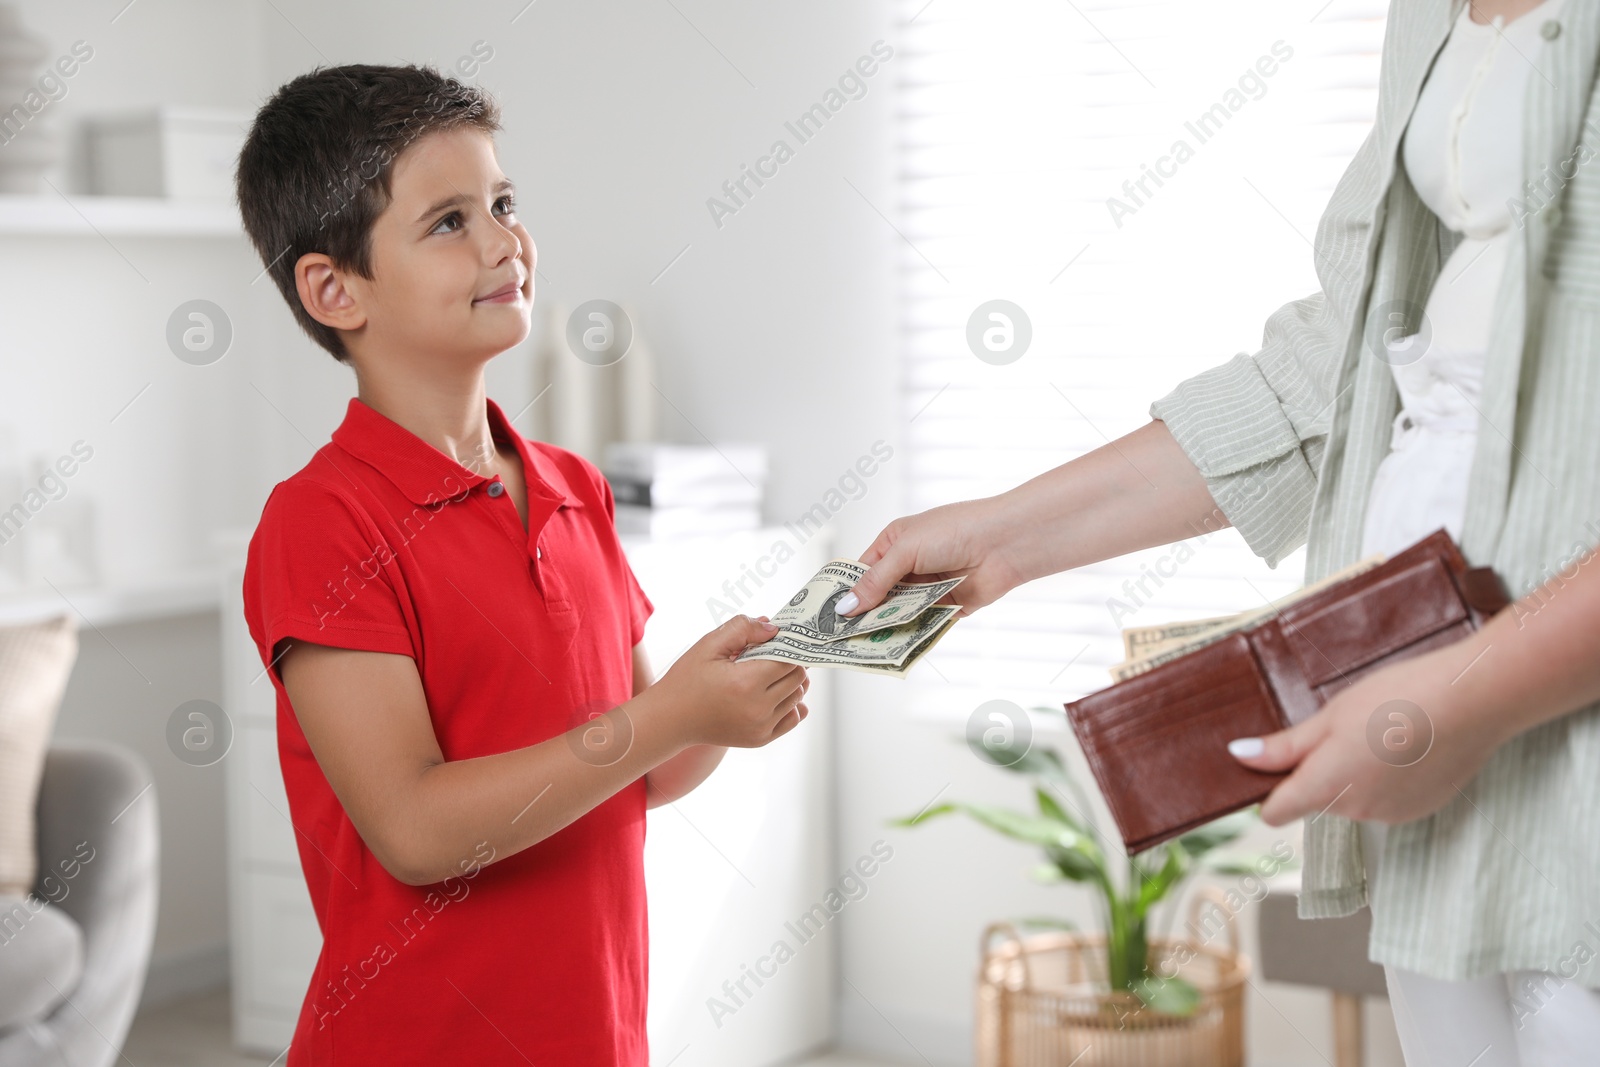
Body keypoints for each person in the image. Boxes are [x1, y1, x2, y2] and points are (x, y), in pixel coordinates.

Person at [837, 0, 1600, 1063]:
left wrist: (1468, 695)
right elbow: (1331, 367)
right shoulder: (1426, 16)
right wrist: (1004, 536)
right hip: (1423, 710)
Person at [234, 65, 809, 1065]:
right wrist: (667, 714)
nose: (507, 242)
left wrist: (719, 700)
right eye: (449, 221)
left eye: (503, 203)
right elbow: (413, 827)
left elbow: (648, 765)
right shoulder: (321, 522)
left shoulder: (574, 488)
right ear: (335, 288)